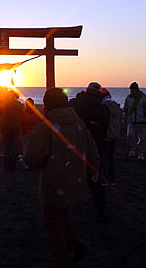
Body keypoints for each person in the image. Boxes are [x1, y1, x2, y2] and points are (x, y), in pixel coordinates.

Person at [25, 88, 99, 268]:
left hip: (54, 183)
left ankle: (62, 261)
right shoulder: (79, 124)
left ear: (47, 105)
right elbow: (93, 150)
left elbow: (31, 158)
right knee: (60, 215)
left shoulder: (46, 126)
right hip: (76, 181)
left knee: (53, 226)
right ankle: (76, 244)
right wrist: (94, 171)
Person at [70, 82, 109, 222]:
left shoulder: (77, 104)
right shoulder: (103, 108)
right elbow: (105, 129)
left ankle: (70, 203)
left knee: (73, 175)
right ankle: (100, 209)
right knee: (94, 178)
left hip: (78, 145)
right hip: (96, 146)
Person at [122, 82, 146, 160]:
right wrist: (124, 118)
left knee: (142, 139)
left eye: (133, 89)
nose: (132, 91)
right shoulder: (128, 98)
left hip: (142, 121)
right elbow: (125, 109)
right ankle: (133, 150)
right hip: (131, 121)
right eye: (131, 90)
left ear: (137, 90)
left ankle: (141, 154)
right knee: (129, 136)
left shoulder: (143, 97)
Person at [100, 88, 120, 186]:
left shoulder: (103, 106)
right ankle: (112, 179)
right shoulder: (115, 105)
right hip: (115, 134)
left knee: (104, 156)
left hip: (106, 134)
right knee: (111, 157)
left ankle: (104, 179)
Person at [0, 90, 23, 171]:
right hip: (15, 127)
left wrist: (2, 126)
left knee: (7, 147)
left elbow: (2, 116)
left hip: (6, 127)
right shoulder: (18, 104)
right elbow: (21, 115)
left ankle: (6, 164)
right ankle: (13, 164)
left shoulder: (5, 104)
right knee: (14, 146)